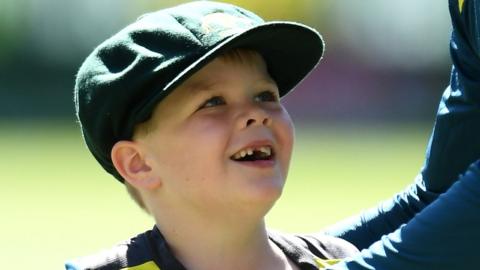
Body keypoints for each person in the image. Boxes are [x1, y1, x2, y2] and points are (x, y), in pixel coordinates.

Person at [66, 0, 480, 269]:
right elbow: (443, 186)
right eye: (212, 102)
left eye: (266, 95)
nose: (254, 115)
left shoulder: (338, 259)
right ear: (137, 162)